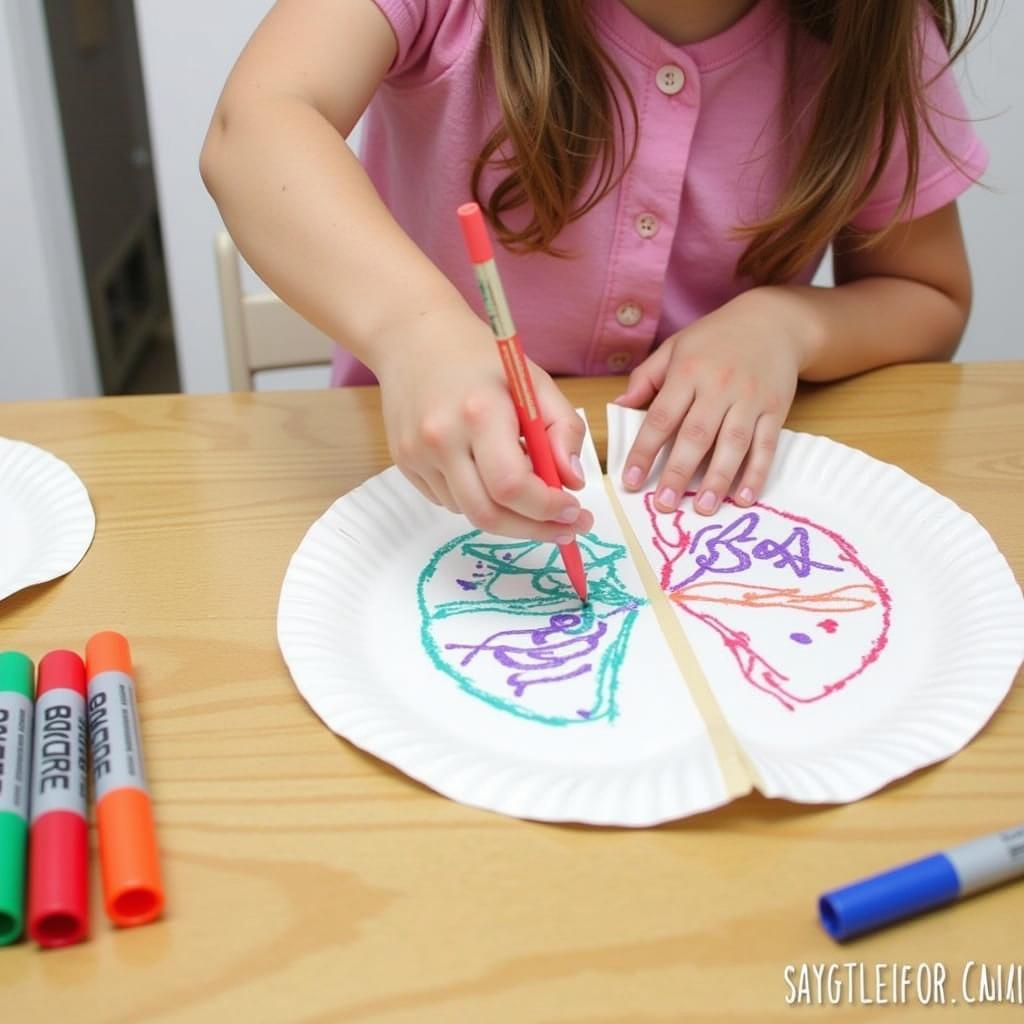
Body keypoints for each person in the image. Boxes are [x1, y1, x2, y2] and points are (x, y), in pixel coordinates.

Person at [201, 0, 989, 545]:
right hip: (408, 494)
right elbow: (256, 126)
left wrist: (790, 324)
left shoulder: (875, 33)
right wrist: (417, 334)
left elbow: (929, 295)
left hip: (704, 498)